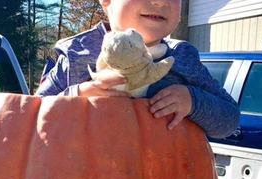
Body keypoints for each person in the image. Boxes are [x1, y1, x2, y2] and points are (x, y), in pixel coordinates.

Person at [36, 0, 240, 138]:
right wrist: (76, 96)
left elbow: (230, 121)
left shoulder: (181, 57)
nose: (160, 2)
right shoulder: (76, 53)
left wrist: (192, 100)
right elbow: (32, 115)